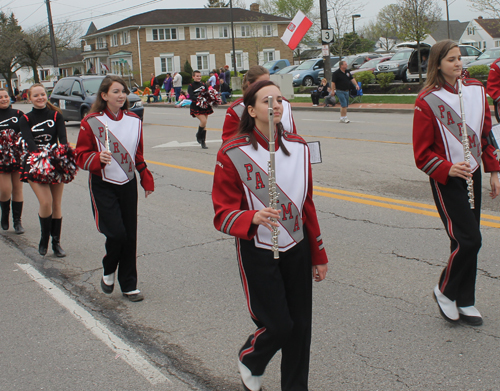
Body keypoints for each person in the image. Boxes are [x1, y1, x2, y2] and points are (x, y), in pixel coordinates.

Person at [212, 80, 328, 391]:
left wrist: (318, 254)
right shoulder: (232, 153)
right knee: (278, 326)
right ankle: (251, 358)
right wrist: (253, 217)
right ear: (251, 110)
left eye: (278, 99)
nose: (275, 105)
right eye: (266, 100)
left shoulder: (300, 148)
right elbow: (222, 214)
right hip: (258, 247)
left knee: (301, 328)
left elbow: (307, 206)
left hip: (297, 247)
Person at [412, 40, 500, 326]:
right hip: (447, 177)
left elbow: (487, 134)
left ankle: (465, 300)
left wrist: (493, 171)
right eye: (451, 59)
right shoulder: (426, 100)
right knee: (469, 239)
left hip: (472, 172)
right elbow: (422, 154)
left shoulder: (476, 89)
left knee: (465, 239)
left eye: (460, 58)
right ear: (438, 64)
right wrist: (448, 169)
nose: (458, 63)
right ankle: (445, 290)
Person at [75, 75, 155, 303]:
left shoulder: (134, 120)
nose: (121, 96)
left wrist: (145, 176)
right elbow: (80, 155)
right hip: (103, 183)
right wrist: (96, 157)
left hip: (127, 182)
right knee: (116, 233)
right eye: (116, 92)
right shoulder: (91, 121)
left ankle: (129, 285)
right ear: (104, 95)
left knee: (130, 236)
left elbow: (137, 154)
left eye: (124, 92)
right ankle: (109, 268)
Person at [19, 84, 75, 257]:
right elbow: (29, 142)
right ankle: (44, 239)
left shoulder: (56, 115)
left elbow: (62, 138)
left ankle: (56, 243)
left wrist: (64, 154)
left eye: (42, 94)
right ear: (30, 98)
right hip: (36, 163)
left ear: (46, 96)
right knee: (45, 202)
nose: (40, 98)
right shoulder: (25, 119)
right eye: (36, 95)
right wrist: (40, 157)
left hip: (55, 162)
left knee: (56, 204)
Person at [222, 65, 297, 143]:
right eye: (260, 84)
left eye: (268, 83)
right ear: (249, 85)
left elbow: (293, 136)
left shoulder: (284, 103)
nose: (266, 87)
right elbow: (228, 144)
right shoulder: (237, 108)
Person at [0, 88, 25, 234]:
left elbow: (27, 132)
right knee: (5, 190)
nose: (4, 99)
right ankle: (4, 214)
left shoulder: (18, 114)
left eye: (5, 96)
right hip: (1, 157)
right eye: (0, 97)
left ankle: (17, 221)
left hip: (17, 156)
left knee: (17, 189)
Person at [188, 70, 213, 149]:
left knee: (204, 124)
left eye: (199, 76)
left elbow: (207, 93)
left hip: (204, 105)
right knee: (203, 121)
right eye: (197, 76)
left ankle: (203, 142)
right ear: (193, 77)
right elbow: (191, 96)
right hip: (196, 105)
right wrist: (199, 100)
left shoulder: (203, 84)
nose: (198, 77)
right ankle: (198, 134)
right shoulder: (191, 86)